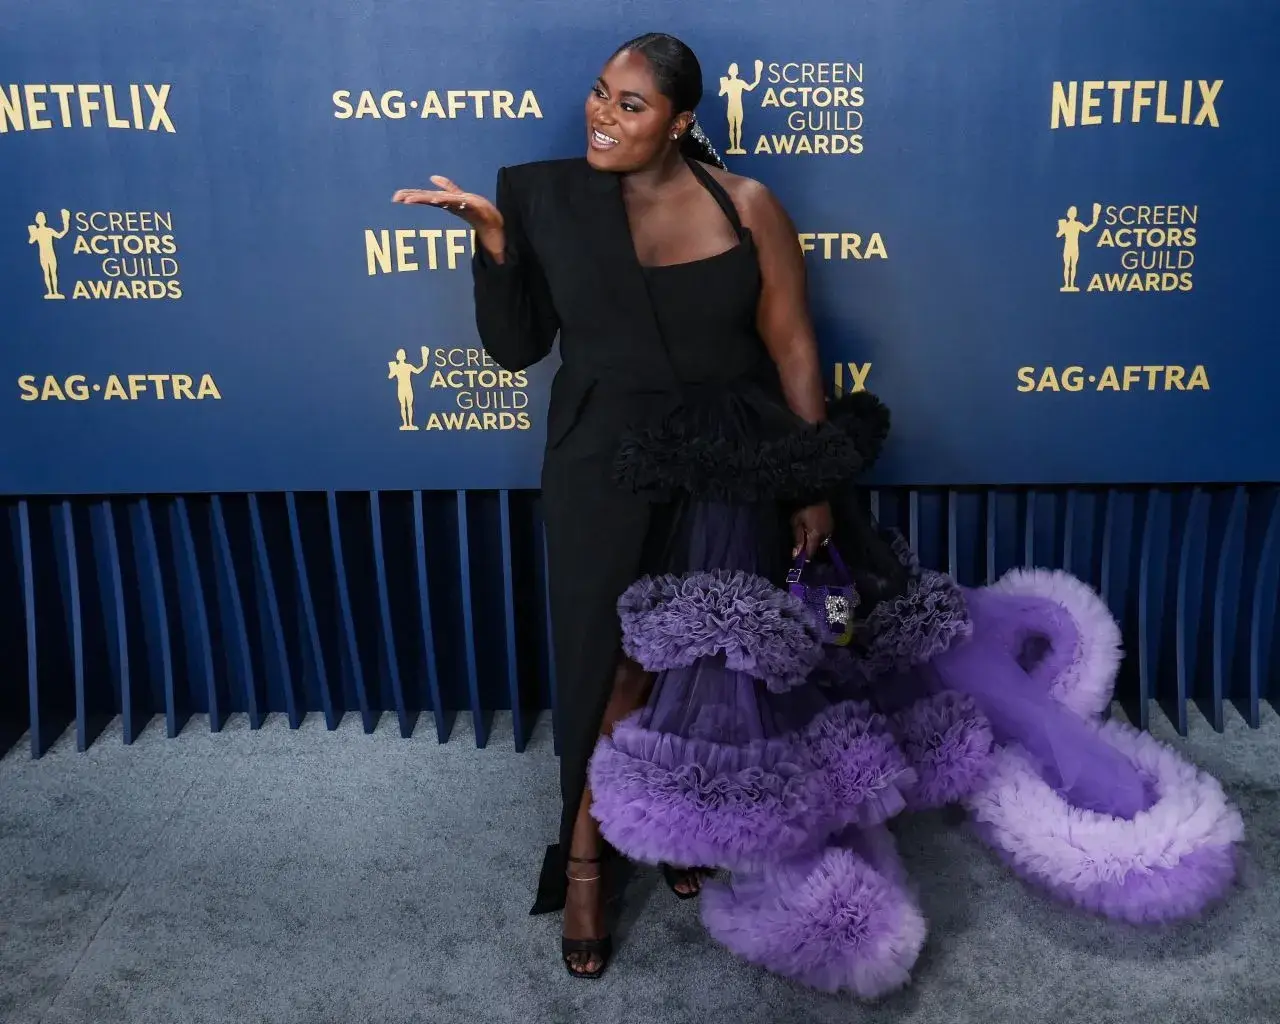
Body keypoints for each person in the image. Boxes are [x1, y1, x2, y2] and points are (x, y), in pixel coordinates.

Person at [394, 34, 1244, 991]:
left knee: (707, 664)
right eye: (599, 93)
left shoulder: (747, 204)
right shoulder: (540, 195)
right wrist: (494, 243)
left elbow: (795, 349)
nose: (601, 113)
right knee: (608, 665)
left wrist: (807, 481)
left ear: (680, 121)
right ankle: (587, 863)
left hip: (734, 461)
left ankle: (681, 825)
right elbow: (513, 350)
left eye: (631, 104)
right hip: (601, 461)